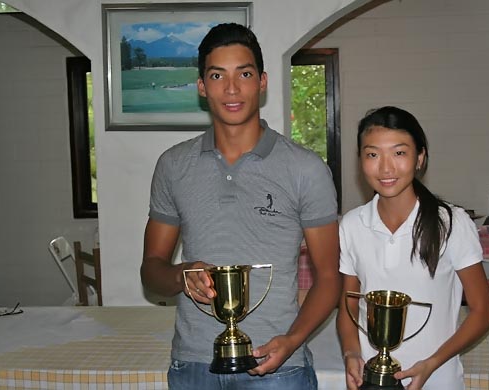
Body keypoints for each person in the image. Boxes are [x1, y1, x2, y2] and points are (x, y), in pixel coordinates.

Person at [140, 23, 340, 390]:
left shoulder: (306, 168)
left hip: (279, 368)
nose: (232, 89)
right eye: (218, 75)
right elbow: (151, 271)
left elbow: (330, 277)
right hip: (193, 365)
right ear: (202, 86)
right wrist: (181, 275)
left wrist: (292, 341)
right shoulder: (173, 165)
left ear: (262, 82)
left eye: (244, 74)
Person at [336, 106, 489, 390]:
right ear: (360, 159)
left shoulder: (451, 222)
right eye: (372, 154)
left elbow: (483, 311)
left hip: (437, 380)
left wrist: (432, 363)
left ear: (420, 158)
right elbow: (348, 305)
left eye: (399, 153)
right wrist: (351, 353)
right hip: (371, 382)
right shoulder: (352, 224)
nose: (385, 168)